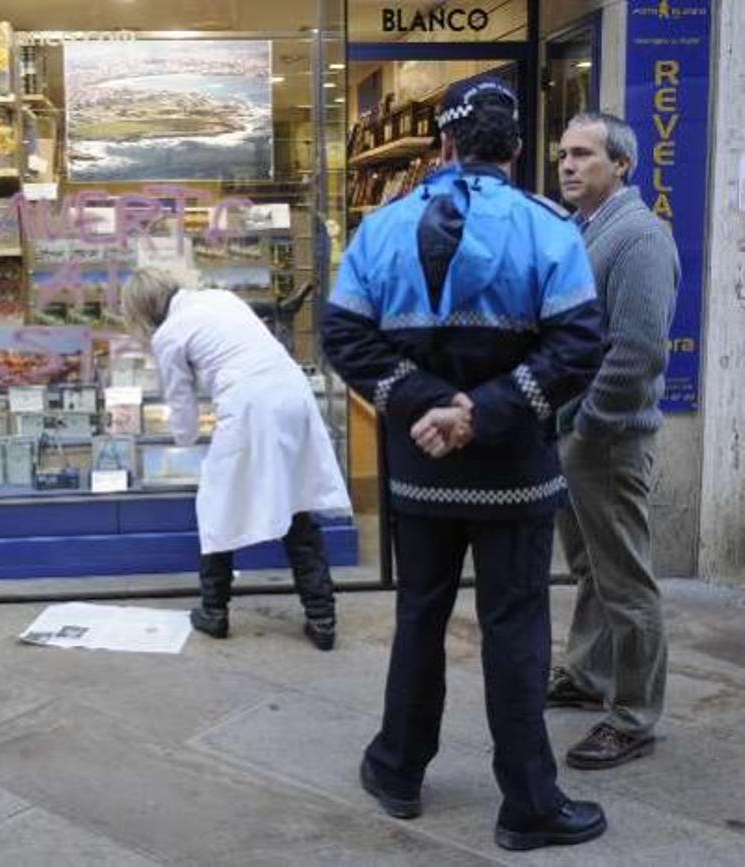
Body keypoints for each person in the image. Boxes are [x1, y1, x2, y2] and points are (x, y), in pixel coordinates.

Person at [321, 78, 607, 851]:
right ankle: (528, 806)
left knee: (419, 616)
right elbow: (579, 346)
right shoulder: (553, 229)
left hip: (419, 472)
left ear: (442, 146)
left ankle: (396, 769)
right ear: (516, 148)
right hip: (515, 471)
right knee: (516, 633)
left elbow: (344, 338)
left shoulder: (381, 230)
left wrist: (424, 404)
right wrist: (482, 412)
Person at [121, 268, 352, 651]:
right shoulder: (220, 297)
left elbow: (183, 416)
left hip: (249, 405)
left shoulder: (169, 335)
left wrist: (185, 437)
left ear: (143, 311)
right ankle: (322, 616)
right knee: (296, 505)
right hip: (293, 395)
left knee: (217, 506)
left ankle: (214, 610)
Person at [550, 112, 679, 769]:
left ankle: (633, 716)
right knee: (592, 571)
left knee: (627, 582)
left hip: (608, 440)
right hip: (579, 433)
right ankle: (587, 674)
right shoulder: (585, 230)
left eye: (583, 154)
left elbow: (636, 355)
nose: (568, 165)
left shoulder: (638, 239)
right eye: (563, 154)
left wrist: (589, 425)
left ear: (622, 164)